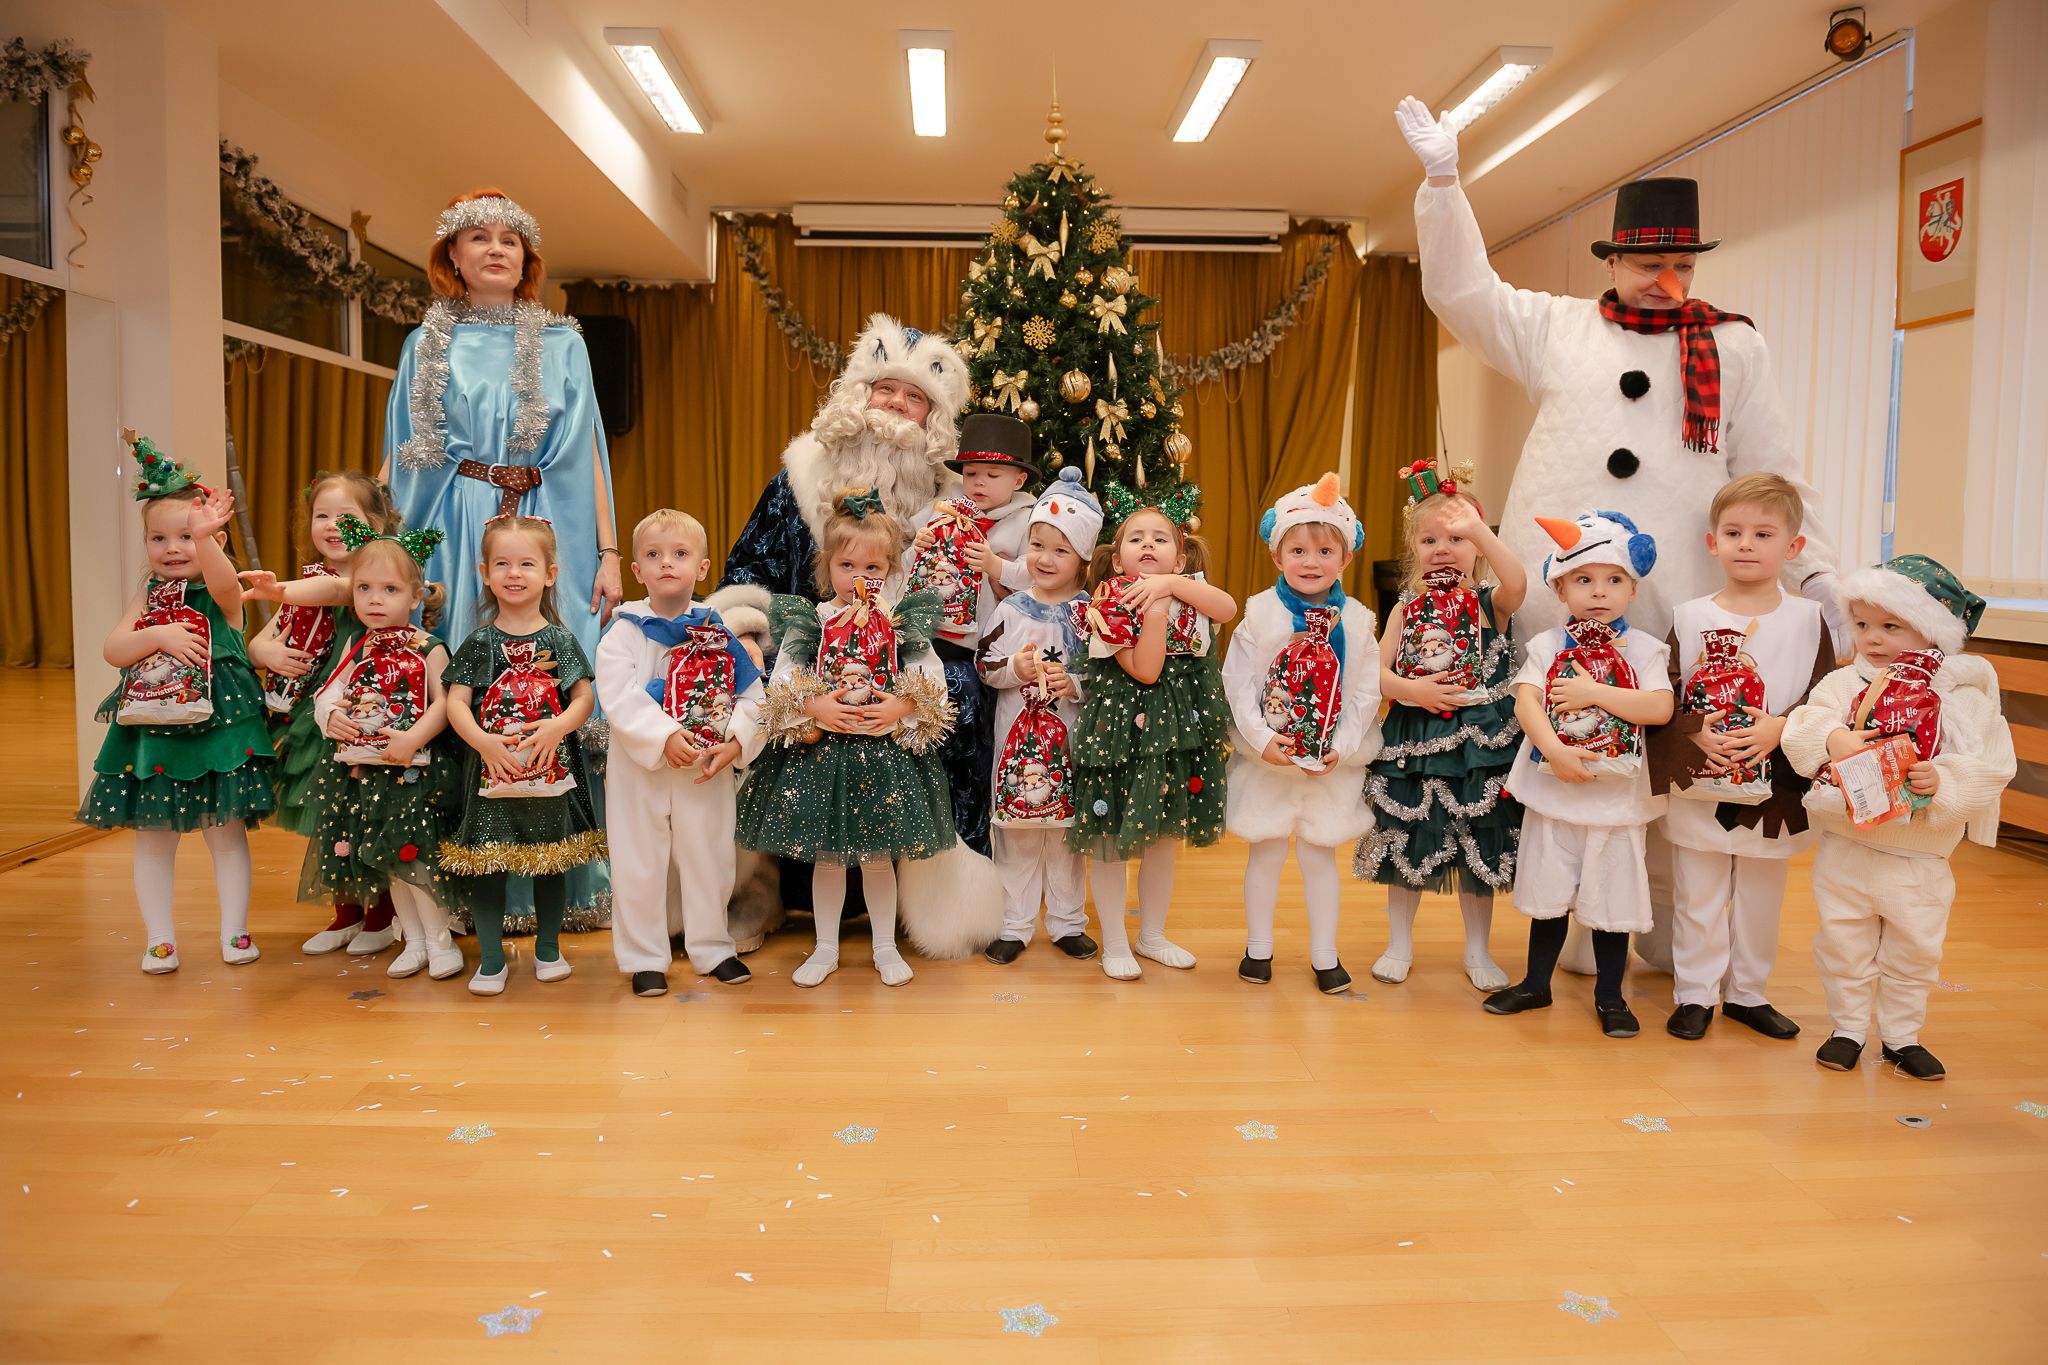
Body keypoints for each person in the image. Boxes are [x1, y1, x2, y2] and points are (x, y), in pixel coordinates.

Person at [1393, 96, 1844, 976]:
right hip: (1560, 587)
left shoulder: (1733, 347)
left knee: (1669, 755)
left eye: (1680, 264)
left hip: (1679, 591)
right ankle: (1567, 916)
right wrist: (1444, 186)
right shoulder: (1558, 328)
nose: (1665, 279)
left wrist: (1817, 573)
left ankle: (1667, 924)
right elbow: (1461, 293)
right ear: (1613, 259)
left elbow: (1774, 470)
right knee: (1558, 738)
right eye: (1647, 262)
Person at [712, 314, 1001, 958]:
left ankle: (936, 899)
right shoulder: (798, 479)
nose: (895, 405)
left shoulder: (957, 501)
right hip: (808, 652)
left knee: (960, 693)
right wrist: (752, 635)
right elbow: (750, 570)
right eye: (885, 389)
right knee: (750, 695)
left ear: (933, 417)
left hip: (913, 660)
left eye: (914, 396)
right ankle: (757, 890)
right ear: (857, 394)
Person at [382, 188, 617, 931]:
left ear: (526, 259)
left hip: (545, 527)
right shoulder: (425, 343)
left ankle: (563, 881)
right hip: (456, 525)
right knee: (464, 680)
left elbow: (587, 454)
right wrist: (387, 554)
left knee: (549, 679)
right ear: (452, 255)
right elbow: (403, 455)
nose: (494, 249)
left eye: (509, 240)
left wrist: (606, 551)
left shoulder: (564, 343)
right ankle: (461, 883)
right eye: (478, 237)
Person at [1782, 555, 2016, 1081]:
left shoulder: (1962, 698)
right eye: (1863, 624)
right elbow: (1803, 725)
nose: (1872, 638)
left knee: (1915, 948)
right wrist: (1833, 737)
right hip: (1847, 846)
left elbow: (1993, 764)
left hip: (1919, 857)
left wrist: (1944, 781)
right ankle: (1847, 1029)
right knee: (1843, 943)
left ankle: (1901, 1036)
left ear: (1933, 631)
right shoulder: (1845, 685)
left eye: (1892, 626)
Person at [736, 490, 956, 987]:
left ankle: (884, 946)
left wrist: (902, 705)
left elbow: (933, 681)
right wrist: (814, 706)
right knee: (829, 862)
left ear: (890, 569)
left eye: (873, 567)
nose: (860, 577)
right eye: (847, 565)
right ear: (827, 566)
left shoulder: (899, 623)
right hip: (823, 759)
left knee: (878, 861)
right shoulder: (812, 621)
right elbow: (782, 682)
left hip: (883, 758)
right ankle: (826, 947)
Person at [79, 438, 275, 973]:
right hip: (155, 733)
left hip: (220, 733)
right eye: (158, 538)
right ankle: (159, 939)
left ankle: (235, 933)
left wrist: (205, 538)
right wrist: (157, 633)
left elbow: (222, 580)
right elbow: (114, 649)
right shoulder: (149, 597)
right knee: (154, 839)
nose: (173, 548)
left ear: (214, 539)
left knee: (226, 836)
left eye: (187, 536)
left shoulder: (222, 593)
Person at [1651, 474, 1834, 1041]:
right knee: (1697, 892)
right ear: (1713, 543)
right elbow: (1666, 691)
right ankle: (1694, 995)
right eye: (1733, 533)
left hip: (1774, 782)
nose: (1746, 544)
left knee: (1760, 895)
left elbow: (1825, 694)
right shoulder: (1689, 616)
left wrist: (1782, 728)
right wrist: (1692, 732)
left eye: (1763, 533)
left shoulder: (1809, 619)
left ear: (1793, 546)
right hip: (1702, 777)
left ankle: (1748, 994)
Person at [1484, 512, 1674, 1037]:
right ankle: (1535, 984)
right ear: (1560, 588)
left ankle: (1610, 995)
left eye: (1613, 580)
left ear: (1633, 590)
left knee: (1613, 897)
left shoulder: (1646, 649)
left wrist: (1594, 692)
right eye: (1584, 579)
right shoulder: (1548, 645)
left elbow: (1659, 708)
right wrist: (1554, 751)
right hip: (1556, 792)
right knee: (1548, 894)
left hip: (1616, 801)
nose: (1599, 592)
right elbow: (1527, 702)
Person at [1355, 461, 1526, 990]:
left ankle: (1478, 949)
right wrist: (1413, 691)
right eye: (1429, 539)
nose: (1443, 548)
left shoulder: (1489, 603)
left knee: (1479, 842)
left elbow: (1518, 582)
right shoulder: (1407, 607)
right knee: (1406, 836)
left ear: (1478, 546)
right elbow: (1377, 672)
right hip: (1416, 738)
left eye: (1457, 537)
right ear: (1414, 548)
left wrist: (1479, 528)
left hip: (1480, 744)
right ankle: (1398, 943)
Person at [1068, 487, 1239, 981]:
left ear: (1179, 557)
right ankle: (1115, 942)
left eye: (1160, 539)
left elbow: (1227, 608)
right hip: (1121, 734)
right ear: (1117, 558)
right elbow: (1146, 670)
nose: (1148, 544)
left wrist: (1171, 586)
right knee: (1110, 838)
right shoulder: (1108, 604)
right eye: (1136, 538)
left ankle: (1153, 935)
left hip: (1177, 735)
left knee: (1164, 838)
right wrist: (1160, 604)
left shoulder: (1189, 589)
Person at [596, 509, 765, 998]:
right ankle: (644, 957)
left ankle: (713, 948)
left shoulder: (718, 634)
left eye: (680, 553)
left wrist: (736, 742)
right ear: (637, 571)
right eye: (654, 555)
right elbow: (618, 696)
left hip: (704, 767)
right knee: (639, 861)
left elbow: (752, 696)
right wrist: (663, 735)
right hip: (640, 770)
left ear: (703, 567)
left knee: (709, 857)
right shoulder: (624, 633)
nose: (666, 563)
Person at [1224, 474, 1381, 994]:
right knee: (1265, 852)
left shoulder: (1357, 622)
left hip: (1329, 763)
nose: (1311, 562)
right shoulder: (1259, 614)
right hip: (1270, 760)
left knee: (1319, 856)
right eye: (1298, 550)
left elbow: (1366, 692)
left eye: (1324, 551)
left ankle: (1325, 955)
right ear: (1277, 556)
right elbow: (1237, 683)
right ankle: (1258, 948)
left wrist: (1343, 746)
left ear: (1345, 558)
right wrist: (1261, 740)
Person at [439, 516, 606, 995]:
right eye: (502, 564)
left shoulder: (559, 640)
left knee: (549, 860)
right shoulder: (479, 643)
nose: (514, 573)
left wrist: (558, 726)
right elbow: (455, 702)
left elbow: (583, 699)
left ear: (550, 574)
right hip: (491, 770)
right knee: (488, 861)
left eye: (527, 564)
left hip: (549, 770)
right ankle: (492, 959)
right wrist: (483, 741)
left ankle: (548, 950)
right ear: (485, 573)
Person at [299, 517, 464, 981]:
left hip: (414, 771)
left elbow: (445, 702)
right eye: (364, 588)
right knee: (388, 859)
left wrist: (413, 738)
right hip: (367, 770)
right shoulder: (358, 644)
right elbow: (330, 691)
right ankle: (412, 941)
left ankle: (440, 940)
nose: (375, 599)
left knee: (417, 856)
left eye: (389, 590)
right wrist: (329, 715)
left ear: (414, 596)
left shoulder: (429, 646)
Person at [247, 471, 404, 956]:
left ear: (377, 523)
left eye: (346, 516)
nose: (332, 526)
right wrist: (266, 652)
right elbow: (260, 641)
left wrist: (280, 590)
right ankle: (345, 912)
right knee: (330, 815)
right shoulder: (306, 579)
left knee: (368, 808)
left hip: (365, 709)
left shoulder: (374, 576)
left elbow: (336, 592)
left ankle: (382, 914)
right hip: (311, 715)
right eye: (322, 516)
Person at [979, 467, 1102, 964]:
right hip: (1016, 742)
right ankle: (1014, 923)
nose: (1045, 559)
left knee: (1067, 834)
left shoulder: (1090, 614)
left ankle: (1068, 921)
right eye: (1037, 546)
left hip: (1069, 741)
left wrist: (1074, 683)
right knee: (1017, 834)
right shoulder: (1012, 610)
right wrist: (1015, 667)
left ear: (1083, 558)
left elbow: (1105, 675)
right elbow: (985, 665)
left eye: (1060, 550)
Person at [907, 411, 1043, 852]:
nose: (978, 482)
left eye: (992, 474)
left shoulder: (1027, 523)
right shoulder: (939, 512)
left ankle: (975, 839)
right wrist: (917, 548)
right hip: (936, 639)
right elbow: (903, 571)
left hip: (988, 648)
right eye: (970, 473)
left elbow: (1040, 579)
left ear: (1019, 480)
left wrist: (995, 565)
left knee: (978, 743)